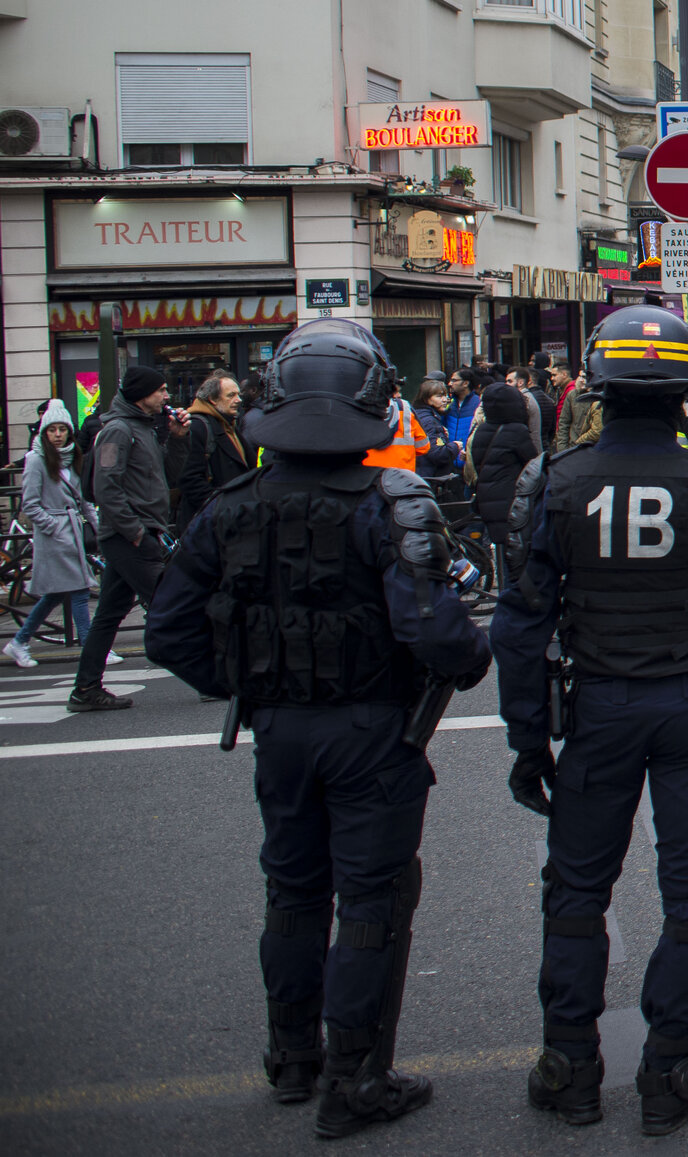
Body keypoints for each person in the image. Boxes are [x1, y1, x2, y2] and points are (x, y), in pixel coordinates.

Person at [146, 319, 491, 1136]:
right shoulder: (388, 504)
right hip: (374, 728)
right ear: (371, 401)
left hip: (281, 731)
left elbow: (170, 631)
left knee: (293, 892)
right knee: (372, 899)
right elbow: (437, 635)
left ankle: (292, 1057)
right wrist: (470, 650)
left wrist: (251, 682)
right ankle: (355, 1078)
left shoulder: (231, 507)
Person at [494, 306, 688, 1133]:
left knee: (577, 890)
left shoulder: (553, 481)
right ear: (687, 392)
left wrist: (528, 739)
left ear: (596, 387)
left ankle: (570, 1066)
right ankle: (671, 1068)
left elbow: (519, 628)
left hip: (595, 710)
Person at [73, 366, 186, 713]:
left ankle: (85, 688)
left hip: (139, 533)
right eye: (161, 390)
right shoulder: (118, 431)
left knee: (108, 614)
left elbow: (170, 475)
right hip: (130, 537)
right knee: (176, 604)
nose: (167, 396)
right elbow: (106, 488)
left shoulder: (142, 428)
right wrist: (135, 532)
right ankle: (215, 679)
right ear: (141, 394)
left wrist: (178, 438)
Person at [8, 401, 103, 670]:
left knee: (56, 594)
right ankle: (90, 649)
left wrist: (97, 526)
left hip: (70, 530)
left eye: (63, 429)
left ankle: (19, 641)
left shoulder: (73, 456)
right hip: (55, 534)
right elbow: (30, 503)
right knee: (80, 590)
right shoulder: (35, 459)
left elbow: (83, 498)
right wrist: (53, 526)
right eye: (52, 430)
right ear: (44, 433)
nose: (58, 434)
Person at [469, 382, 540, 571]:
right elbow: (534, 464)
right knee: (518, 558)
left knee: (503, 552)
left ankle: (504, 590)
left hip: (488, 499)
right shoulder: (517, 431)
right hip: (512, 501)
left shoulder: (482, 429)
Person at [177, 372, 252, 533]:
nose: (238, 400)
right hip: (211, 525)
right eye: (231, 395)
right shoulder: (198, 427)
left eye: (238, 394)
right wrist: (222, 505)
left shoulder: (228, 425)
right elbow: (190, 479)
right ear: (213, 399)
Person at [411, 379, 465, 491]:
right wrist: (455, 446)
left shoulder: (420, 416)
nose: (445, 400)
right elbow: (437, 453)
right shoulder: (429, 421)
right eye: (439, 396)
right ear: (427, 399)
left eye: (446, 396)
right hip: (432, 479)